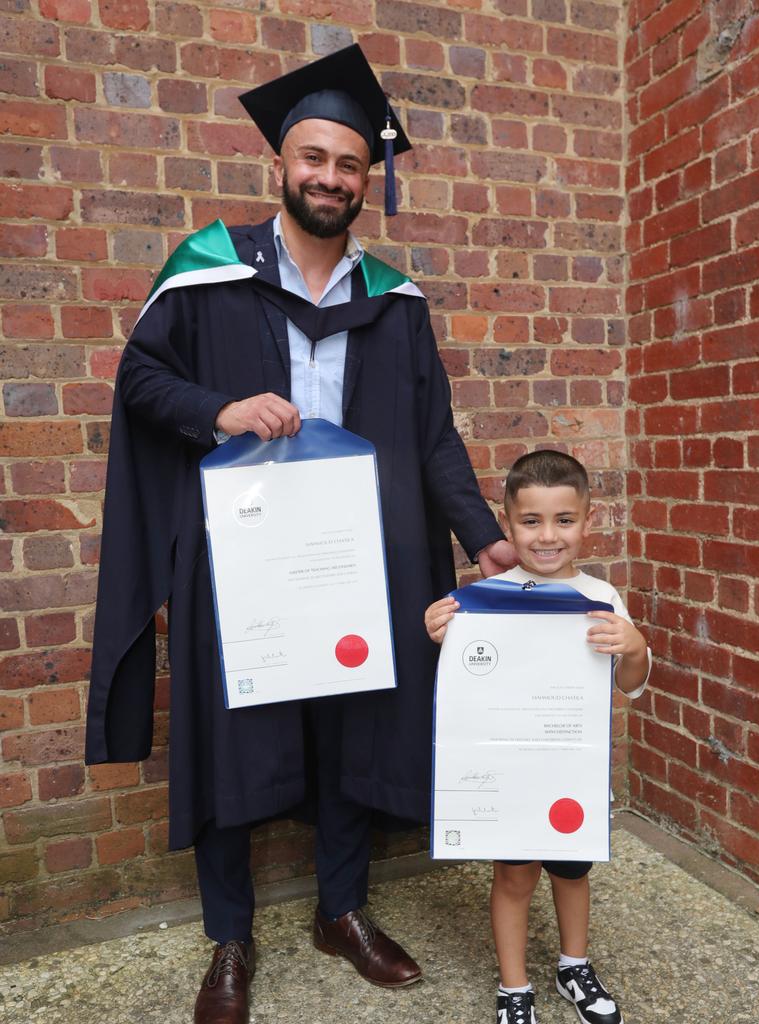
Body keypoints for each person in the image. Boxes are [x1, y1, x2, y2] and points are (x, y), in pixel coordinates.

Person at [85, 45, 516, 1024]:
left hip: (355, 556)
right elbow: (142, 383)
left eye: (349, 163)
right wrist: (223, 409)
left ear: (369, 179)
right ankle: (230, 936)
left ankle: (341, 909)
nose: (330, 176)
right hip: (242, 553)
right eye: (312, 157)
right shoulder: (207, 270)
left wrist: (484, 537)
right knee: (231, 727)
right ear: (277, 165)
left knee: (353, 720)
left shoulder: (395, 301)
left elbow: (433, 434)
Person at [425, 449, 651, 1024]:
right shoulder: (483, 600)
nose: (547, 536)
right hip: (511, 774)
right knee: (513, 875)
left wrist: (635, 647)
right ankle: (514, 989)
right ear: (507, 524)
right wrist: (440, 635)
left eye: (564, 520)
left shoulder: (601, 600)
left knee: (573, 871)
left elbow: (631, 685)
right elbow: (465, 685)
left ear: (587, 521)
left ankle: (573, 964)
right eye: (531, 522)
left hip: (571, 770)